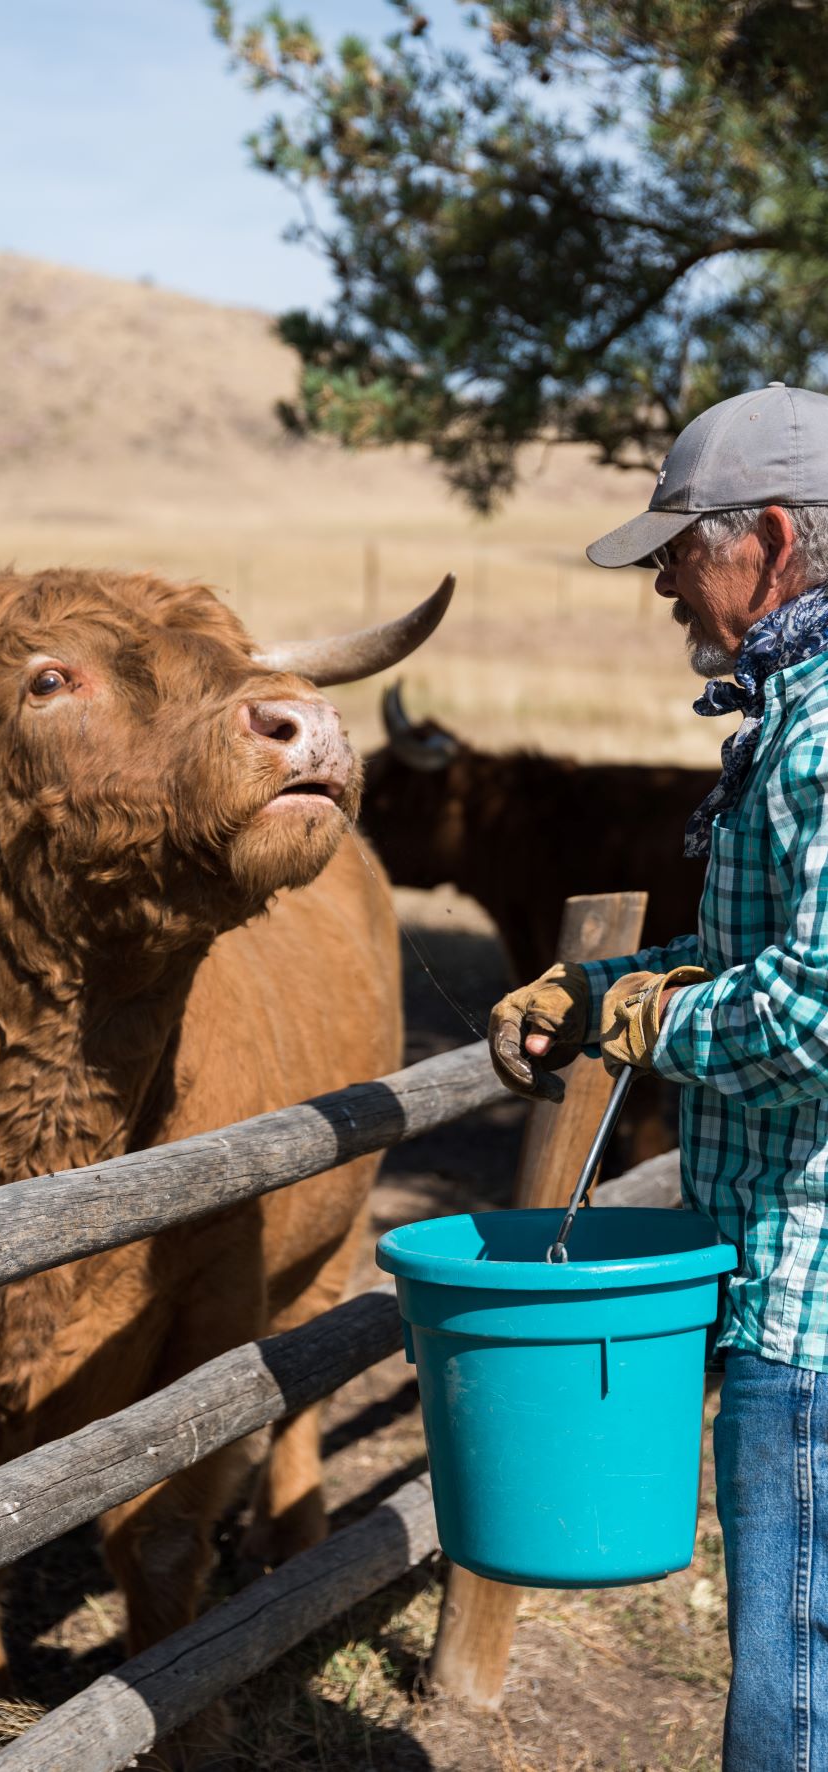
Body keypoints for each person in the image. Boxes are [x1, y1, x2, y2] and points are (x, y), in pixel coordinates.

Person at [488, 381, 828, 1772]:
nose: (669, 588)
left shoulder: (823, 733)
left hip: (813, 1308)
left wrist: (644, 1026)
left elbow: (813, 1010)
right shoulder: (795, 713)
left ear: (776, 540)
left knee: (794, 1689)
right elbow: (772, 949)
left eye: (684, 552)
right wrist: (599, 989)